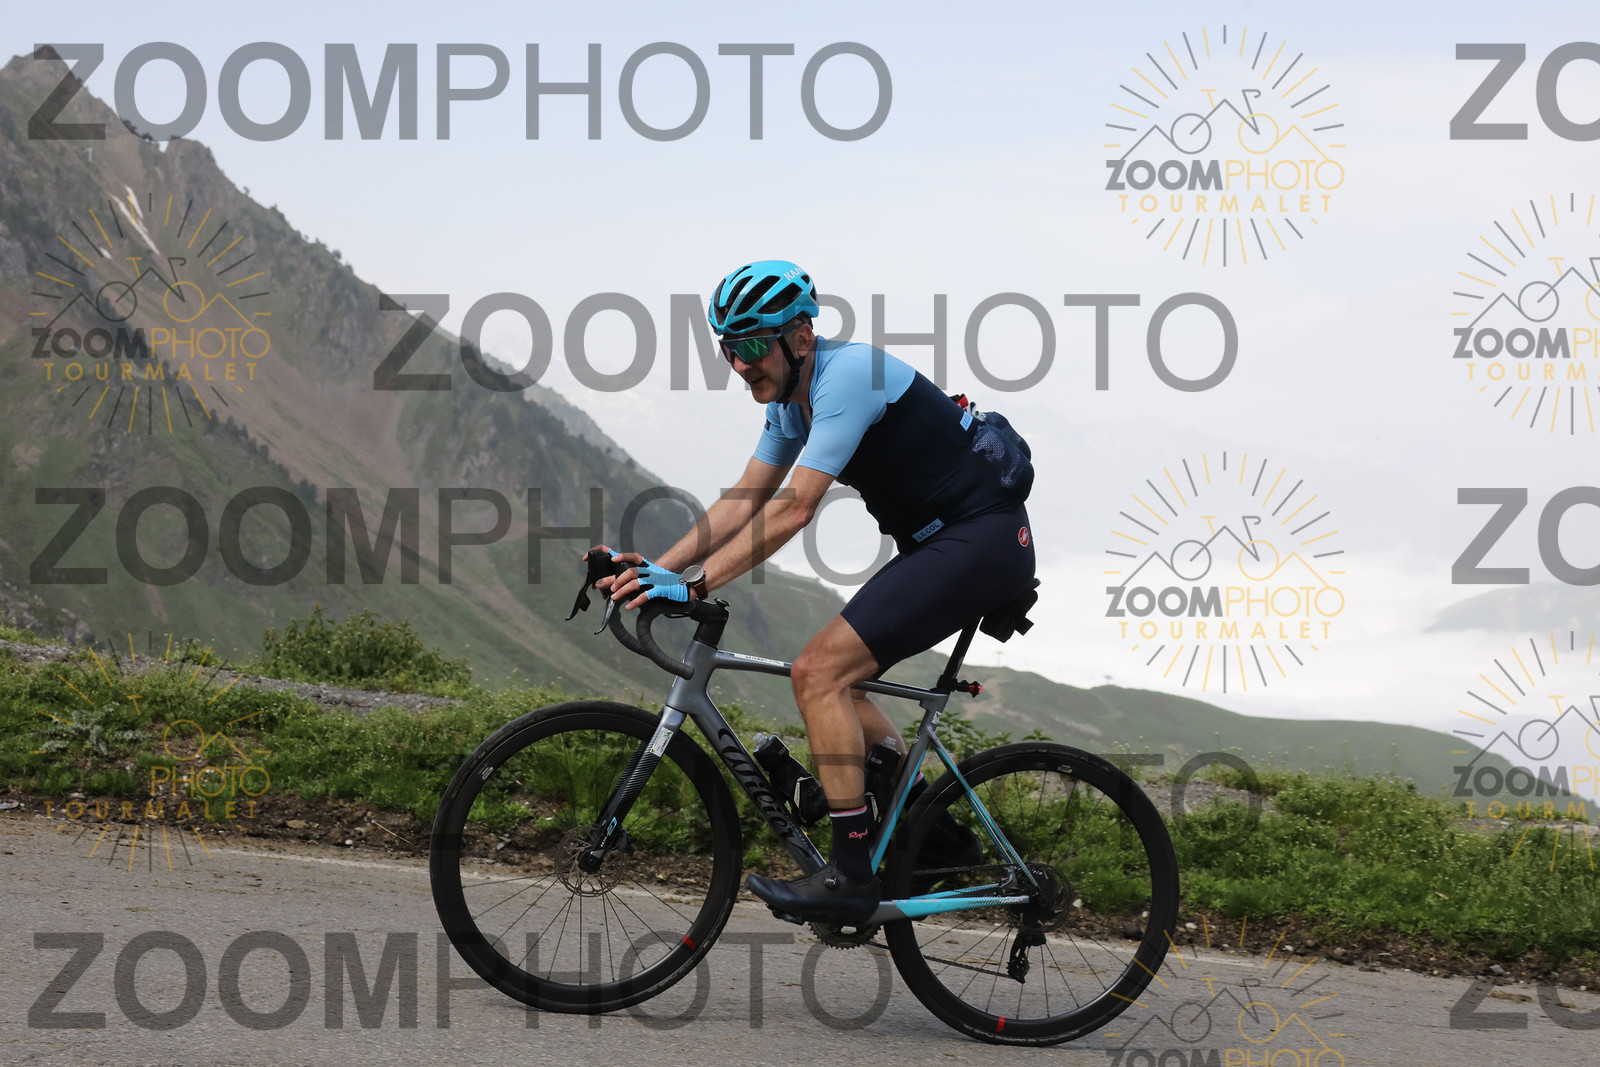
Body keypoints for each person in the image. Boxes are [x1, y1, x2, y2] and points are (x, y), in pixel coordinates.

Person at [595, 260, 1036, 922]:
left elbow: (795, 507)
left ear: (800, 337)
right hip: (944, 543)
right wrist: (655, 569)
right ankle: (932, 830)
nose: (739, 364)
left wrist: (695, 586)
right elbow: (744, 500)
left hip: (982, 539)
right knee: (844, 686)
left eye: (750, 345)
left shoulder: (848, 376)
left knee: (817, 673)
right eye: (727, 349)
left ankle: (851, 876)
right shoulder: (788, 404)